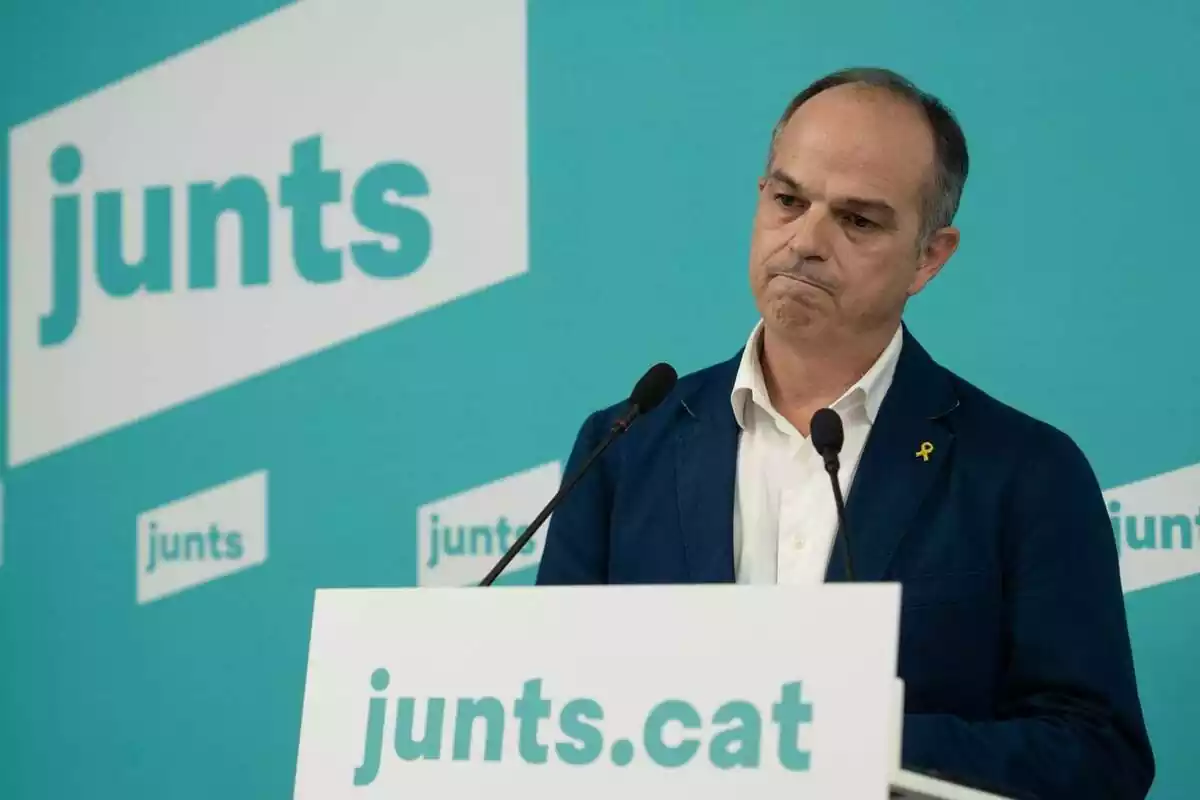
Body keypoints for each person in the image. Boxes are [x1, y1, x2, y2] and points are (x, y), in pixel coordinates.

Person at [535, 67, 1155, 799]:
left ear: (929, 256)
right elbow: (550, 716)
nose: (806, 241)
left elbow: (1095, 752)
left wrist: (844, 737)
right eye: (789, 200)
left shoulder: (1026, 472)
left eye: (858, 220)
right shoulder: (623, 445)